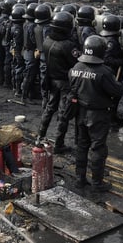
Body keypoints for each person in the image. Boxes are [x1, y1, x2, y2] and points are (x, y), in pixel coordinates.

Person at [69, 35, 123, 192]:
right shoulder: (104, 72)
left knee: (81, 145)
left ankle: (80, 179)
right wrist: (121, 85)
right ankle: (97, 182)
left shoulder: (76, 68)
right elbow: (116, 91)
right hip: (98, 115)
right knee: (98, 148)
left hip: (80, 112)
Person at [37, 11, 80, 153]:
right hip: (65, 83)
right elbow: (75, 64)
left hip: (52, 79)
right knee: (63, 113)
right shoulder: (68, 45)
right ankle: (59, 143)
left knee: (49, 109)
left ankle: (40, 136)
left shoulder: (47, 41)